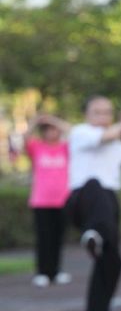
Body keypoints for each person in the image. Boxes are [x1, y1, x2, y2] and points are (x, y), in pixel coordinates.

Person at [67, 95, 121, 311]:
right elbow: (105, 136)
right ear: (86, 114)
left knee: (112, 262)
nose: (103, 117)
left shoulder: (115, 142)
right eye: (97, 112)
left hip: (109, 204)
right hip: (84, 199)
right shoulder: (80, 132)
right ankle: (93, 233)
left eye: (107, 112)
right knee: (96, 186)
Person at [24, 114, 71, 287]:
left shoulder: (66, 148)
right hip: (41, 201)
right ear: (43, 132)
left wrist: (54, 119)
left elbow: (74, 132)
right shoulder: (37, 147)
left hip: (62, 200)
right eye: (49, 129)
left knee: (58, 238)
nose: (53, 132)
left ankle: (56, 271)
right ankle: (42, 272)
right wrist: (36, 121)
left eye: (55, 129)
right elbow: (25, 138)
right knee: (44, 238)